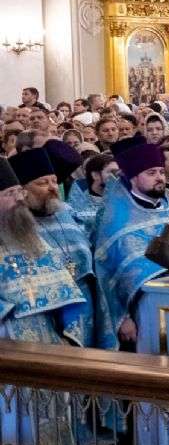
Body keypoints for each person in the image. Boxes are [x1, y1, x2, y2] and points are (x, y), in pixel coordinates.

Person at [0, 158, 93, 445]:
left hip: (46, 343)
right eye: (10, 193)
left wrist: (67, 329)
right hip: (9, 349)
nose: (19, 199)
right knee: (16, 428)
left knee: (50, 425)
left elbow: (64, 287)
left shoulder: (29, 236)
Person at [93, 139, 169, 352]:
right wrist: (122, 318)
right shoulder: (116, 219)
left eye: (161, 172)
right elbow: (105, 275)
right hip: (145, 311)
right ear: (134, 178)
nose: (160, 178)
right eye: (151, 173)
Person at [13, 147, 105, 348]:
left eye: (54, 181)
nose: (53, 187)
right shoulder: (15, 226)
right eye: (43, 183)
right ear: (22, 190)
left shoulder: (66, 212)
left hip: (85, 305)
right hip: (45, 313)